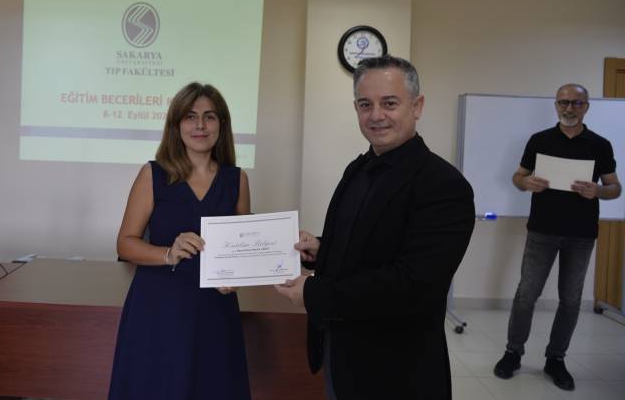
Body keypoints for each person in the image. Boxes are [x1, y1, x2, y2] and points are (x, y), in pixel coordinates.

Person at [276, 55, 475, 400]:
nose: (376, 115)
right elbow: (368, 241)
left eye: (390, 103)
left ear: (417, 106)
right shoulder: (358, 169)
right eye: (365, 104)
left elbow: (414, 284)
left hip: (397, 370)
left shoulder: (443, 185)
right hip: (341, 353)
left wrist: (313, 293)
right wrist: (322, 249)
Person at [108, 82, 251, 400]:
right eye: (190, 116)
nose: (200, 125)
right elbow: (125, 244)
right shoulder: (153, 174)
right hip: (158, 308)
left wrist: (238, 275)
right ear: (176, 125)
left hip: (214, 310)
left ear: (221, 125)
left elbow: (243, 250)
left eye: (209, 117)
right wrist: (168, 253)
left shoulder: (237, 180)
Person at [493, 83, 621, 391]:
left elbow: (615, 188)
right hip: (542, 230)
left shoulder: (600, 145)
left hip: (581, 234)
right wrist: (526, 183)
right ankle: (513, 353)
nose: (569, 108)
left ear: (586, 107)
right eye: (563, 102)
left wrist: (598, 190)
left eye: (576, 103)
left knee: (571, 300)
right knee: (526, 295)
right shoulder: (540, 140)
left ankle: (556, 358)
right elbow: (518, 176)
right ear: (556, 105)